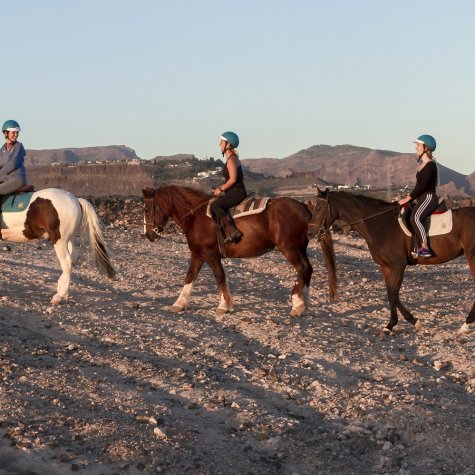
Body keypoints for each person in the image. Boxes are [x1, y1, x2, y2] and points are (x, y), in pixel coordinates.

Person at [398, 134, 439, 257]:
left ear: (426, 148)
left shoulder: (431, 165)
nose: (416, 148)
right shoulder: (422, 165)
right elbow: (418, 187)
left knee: (414, 217)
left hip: (428, 198)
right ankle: (414, 246)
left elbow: (422, 187)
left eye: (418, 145)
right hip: (421, 198)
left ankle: (424, 247)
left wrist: (407, 198)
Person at [210, 131, 246, 244]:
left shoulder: (231, 160)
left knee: (216, 206)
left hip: (237, 192)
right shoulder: (231, 159)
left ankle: (233, 230)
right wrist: (218, 189)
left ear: (228, 144)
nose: (219, 145)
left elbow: (233, 179)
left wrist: (220, 189)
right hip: (232, 191)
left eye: (221, 142)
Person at [0, 119, 27, 197]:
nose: (16, 135)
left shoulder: (19, 146)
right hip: (7, 180)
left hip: (18, 179)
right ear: (6, 133)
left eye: (17, 132)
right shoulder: (2, 150)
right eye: (13, 132)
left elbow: (14, 164)